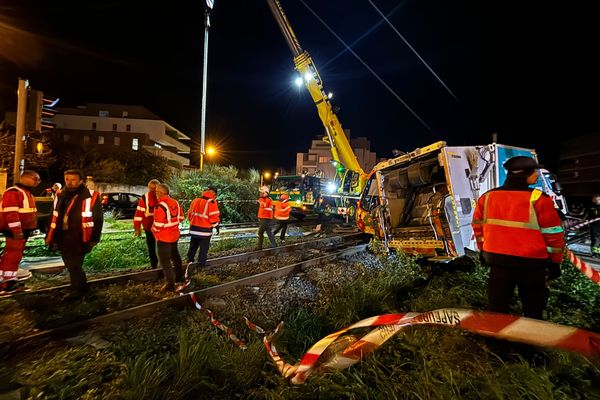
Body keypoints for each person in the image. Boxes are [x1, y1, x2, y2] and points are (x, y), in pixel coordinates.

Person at [472, 156, 565, 320]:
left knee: (497, 307)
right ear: (526, 174)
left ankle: (495, 342)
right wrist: (555, 262)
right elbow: (553, 234)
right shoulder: (539, 200)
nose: (537, 175)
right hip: (532, 265)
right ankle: (529, 342)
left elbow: (478, 228)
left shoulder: (487, 197)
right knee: (533, 309)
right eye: (535, 171)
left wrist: (483, 252)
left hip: (498, 263)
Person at [45, 170, 103, 296]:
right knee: (69, 264)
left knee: (75, 265)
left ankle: (79, 290)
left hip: (80, 236)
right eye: (67, 179)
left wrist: (94, 239)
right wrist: (50, 235)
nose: (70, 182)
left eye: (73, 179)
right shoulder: (60, 194)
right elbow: (53, 215)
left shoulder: (90, 196)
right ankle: (78, 288)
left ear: (81, 181)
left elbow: (98, 219)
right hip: (62, 235)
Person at [0, 170, 40, 294]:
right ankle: (8, 282)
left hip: (21, 231)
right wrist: (16, 231)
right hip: (15, 232)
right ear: (30, 178)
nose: (38, 183)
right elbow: (11, 214)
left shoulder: (25, 193)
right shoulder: (14, 192)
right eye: (37, 180)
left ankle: (7, 279)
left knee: (14, 255)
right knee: (12, 255)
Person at [152, 183, 184, 291]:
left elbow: (158, 225)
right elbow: (181, 218)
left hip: (164, 238)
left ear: (160, 193)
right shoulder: (175, 202)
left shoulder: (160, 206)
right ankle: (180, 276)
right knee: (175, 257)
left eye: (156, 191)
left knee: (165, 261)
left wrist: (154, 231)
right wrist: (172, 225)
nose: (155, 193)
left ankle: (170, 284)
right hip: (174, 235)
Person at [187, 186, 220, 272]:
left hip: (194, 229)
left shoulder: (195, 200)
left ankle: (189, 262)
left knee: (193, 246)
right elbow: (213, 219)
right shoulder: (211, 202)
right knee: (203, 249)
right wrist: (216, 226)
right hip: (204, 231)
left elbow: (189, 215)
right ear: (214, 193)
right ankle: (201, 265)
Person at [133, 179, 160, 268]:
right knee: (159, 246)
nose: (154, 190)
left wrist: (137, 227)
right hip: (157, 227)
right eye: (153, 188)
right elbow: (139, 214)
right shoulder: (145, 198)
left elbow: (138, 214)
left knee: (152, 247)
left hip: (151, 227)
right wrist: (137, 227)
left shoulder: (144, 198)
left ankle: (154, 265)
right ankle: (159, 264)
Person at [257, 186, 277, 250]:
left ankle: (273, 246)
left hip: (266, 218)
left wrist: (262, 203)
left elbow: (266, 207)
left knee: (266, 232)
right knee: (264, 232)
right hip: (262, 218)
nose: (261, 194)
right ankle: (273, 246)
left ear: (266, 193)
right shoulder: (261, 199)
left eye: (262, 192)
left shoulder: (269, 200)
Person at [588, 193, 600, 258]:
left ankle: (598, 252)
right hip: (594, 225)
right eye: (595, 199)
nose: (597, 201)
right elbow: (587, 215)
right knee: (595, 239)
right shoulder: (591, 207)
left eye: (598, 199)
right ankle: (595, 253)